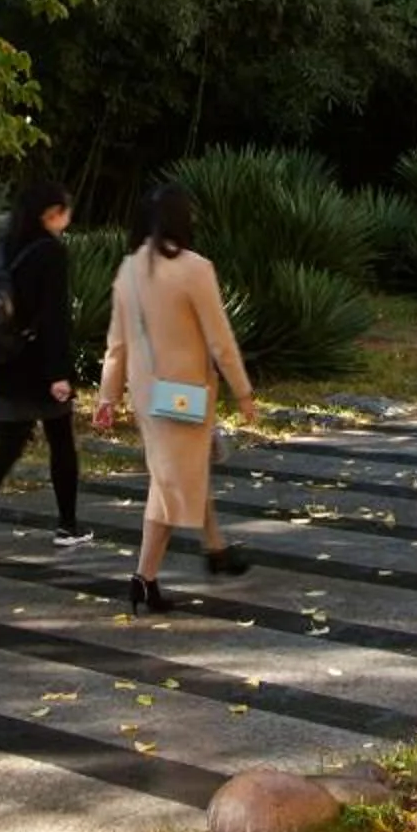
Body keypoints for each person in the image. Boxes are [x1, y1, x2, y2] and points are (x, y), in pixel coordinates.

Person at [93, 182, 258, 614]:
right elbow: (220, 340)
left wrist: (108, 396)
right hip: (184, 394)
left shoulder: (129, 269)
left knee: (180, 472)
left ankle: (214, 549)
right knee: (171, 483)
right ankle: (144, 577)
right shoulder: (195, 268)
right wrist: (243, 391)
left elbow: (116, 344)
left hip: (146, 393)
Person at [0, 179, 95, 566]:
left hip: (1, 357)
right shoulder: (51, 252)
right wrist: (59, 373)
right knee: (59, 439)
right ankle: (63, 526)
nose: (68, 217)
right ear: (50, 213)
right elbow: (54, 317)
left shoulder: (3, 247)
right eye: (65, 210)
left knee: (9, 446)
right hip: (36, 364)